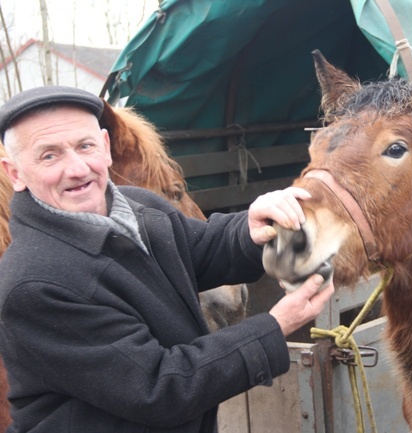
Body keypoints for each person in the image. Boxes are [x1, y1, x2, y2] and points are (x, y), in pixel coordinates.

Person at [0, 86, 334, 433]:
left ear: (105, 146)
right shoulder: (35, 284)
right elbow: (160, 389)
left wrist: (252, 225)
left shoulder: (139, 206)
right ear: (15, 173)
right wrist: (274, 327)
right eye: (49, 156)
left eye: (85, 146)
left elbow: (201, 248)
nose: (77, 168)